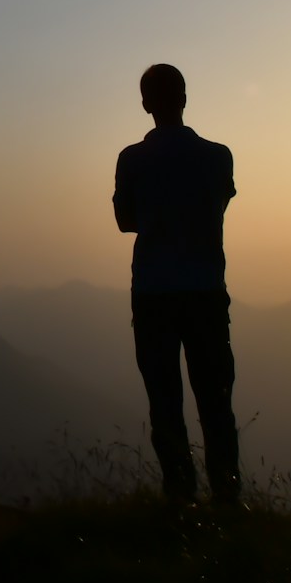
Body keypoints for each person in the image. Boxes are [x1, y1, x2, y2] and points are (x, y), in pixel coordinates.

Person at [112, 63, 240, 504]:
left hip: (153, 295)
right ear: (185, 98)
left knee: (165, 404)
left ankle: (180, 500)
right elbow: (219, 203)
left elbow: (125, 221)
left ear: (145, 104)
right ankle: (226, 501)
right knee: (216, 403)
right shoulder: (218, 155)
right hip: (205, 291)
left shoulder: (131, 160)